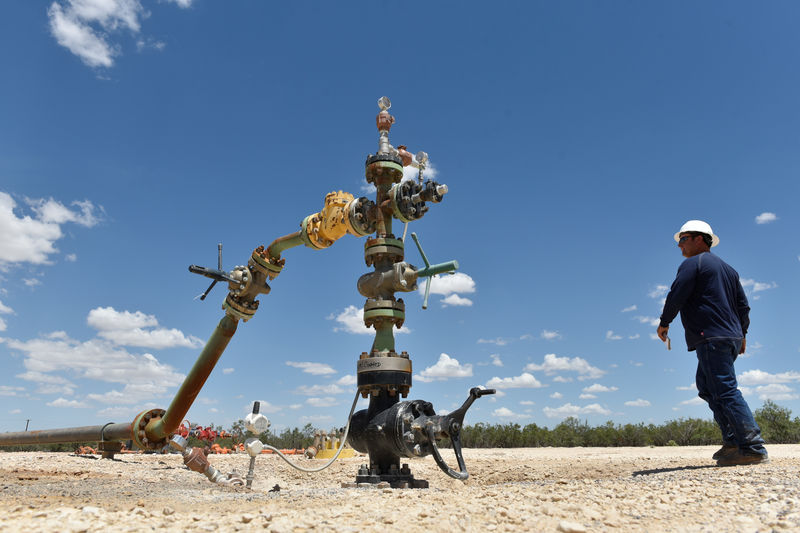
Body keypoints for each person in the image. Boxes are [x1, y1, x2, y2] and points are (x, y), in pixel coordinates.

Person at [657, 220, 768, 466]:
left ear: (700, 239)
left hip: (712, 335)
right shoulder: (729, 269)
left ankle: (751, 447)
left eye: (683, 239)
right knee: (707, 386)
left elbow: (677, 293)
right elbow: (743, 306)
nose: (679, 245)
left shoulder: (693, 263)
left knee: (724, 389)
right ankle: (732, 442)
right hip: (729, 336)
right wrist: (743, 334)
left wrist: (665, 321)